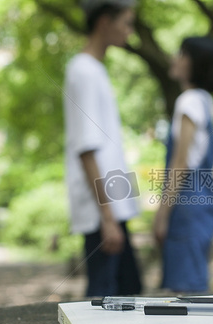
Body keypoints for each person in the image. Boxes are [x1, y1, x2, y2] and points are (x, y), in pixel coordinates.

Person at [64, 0, 142, 297]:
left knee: (130, 290)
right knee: (104, 299)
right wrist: (107, 217)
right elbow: (86, 148)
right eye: (126, 23)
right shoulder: (82, 71)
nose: (129, 32)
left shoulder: (95, 70)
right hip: (103, 210)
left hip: (113, 205)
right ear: (103, 22)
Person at [153, 36, 213, 293]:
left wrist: (161, 215)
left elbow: (180, 162)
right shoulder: (205, 101)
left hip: (186, 205)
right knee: (195, 286)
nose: (175, 58)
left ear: (196, 64)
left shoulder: (189, 101)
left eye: (181, 54)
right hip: (203, 202)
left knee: (185, 294)